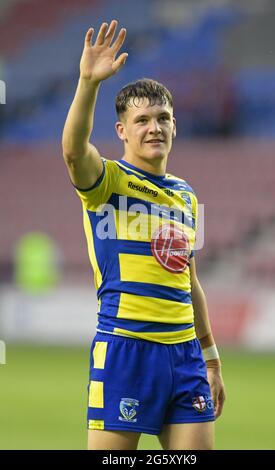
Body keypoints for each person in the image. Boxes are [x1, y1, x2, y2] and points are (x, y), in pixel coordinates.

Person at [62, 20, 225, 451]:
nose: (154, 127)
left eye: (163, 118)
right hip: (126, 351)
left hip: (185, 356)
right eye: (142, 120)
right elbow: (74, 150)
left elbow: (189, 281)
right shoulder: (107, 182)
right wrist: (87, 83)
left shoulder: (187, 196)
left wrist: (211, 359)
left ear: (175, 126)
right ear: (122, 131)